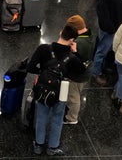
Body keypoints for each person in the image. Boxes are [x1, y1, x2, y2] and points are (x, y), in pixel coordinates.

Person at [27, 25, 86, 156]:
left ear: (60, 32)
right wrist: (75, 52)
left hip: (43, 89)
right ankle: (53, 147)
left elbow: (30, 67)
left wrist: (42, 73)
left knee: (41, 116)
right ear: (72, 40)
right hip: (61, 91)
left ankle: (38, 145)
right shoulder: (71, 57)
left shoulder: (43, 49)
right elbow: (82, 70)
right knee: (57, 118)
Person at [64, 15, 95, 125]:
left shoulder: (80, 43)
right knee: (77, 91)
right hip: (87, 70)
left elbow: (74, 61)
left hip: (77, 75)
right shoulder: (91, 36)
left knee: (73, 97)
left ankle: (71, 118)